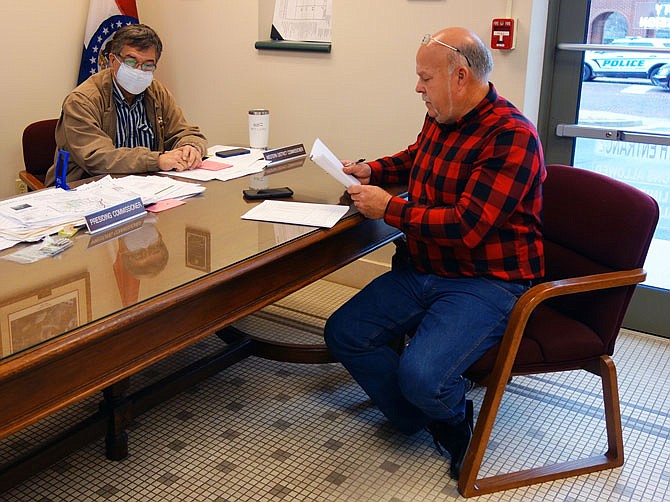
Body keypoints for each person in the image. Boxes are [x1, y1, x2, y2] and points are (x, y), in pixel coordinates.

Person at [324, 27, 545, 480]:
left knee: (422, 377)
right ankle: (417, 415)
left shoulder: (512, 137)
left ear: (460, 76)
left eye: (425, 77)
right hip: (424, 266)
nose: (417, 87)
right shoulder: (442, 115)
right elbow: (415, 157)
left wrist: (390, 208)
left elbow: (467, 226)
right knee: (344, 332)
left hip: (487, 280)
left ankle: (451, 414)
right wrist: (373, 169)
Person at [45, 24, 207, 186]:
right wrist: (156, 160)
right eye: (131, 62)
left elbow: (185, 132)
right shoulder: (82, 100)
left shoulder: (156, 91)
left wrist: (190, 147)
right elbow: (97, 157)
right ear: (112, 60)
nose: (139, 70)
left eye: (148, 65)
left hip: (145, 185)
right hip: (85, 188)